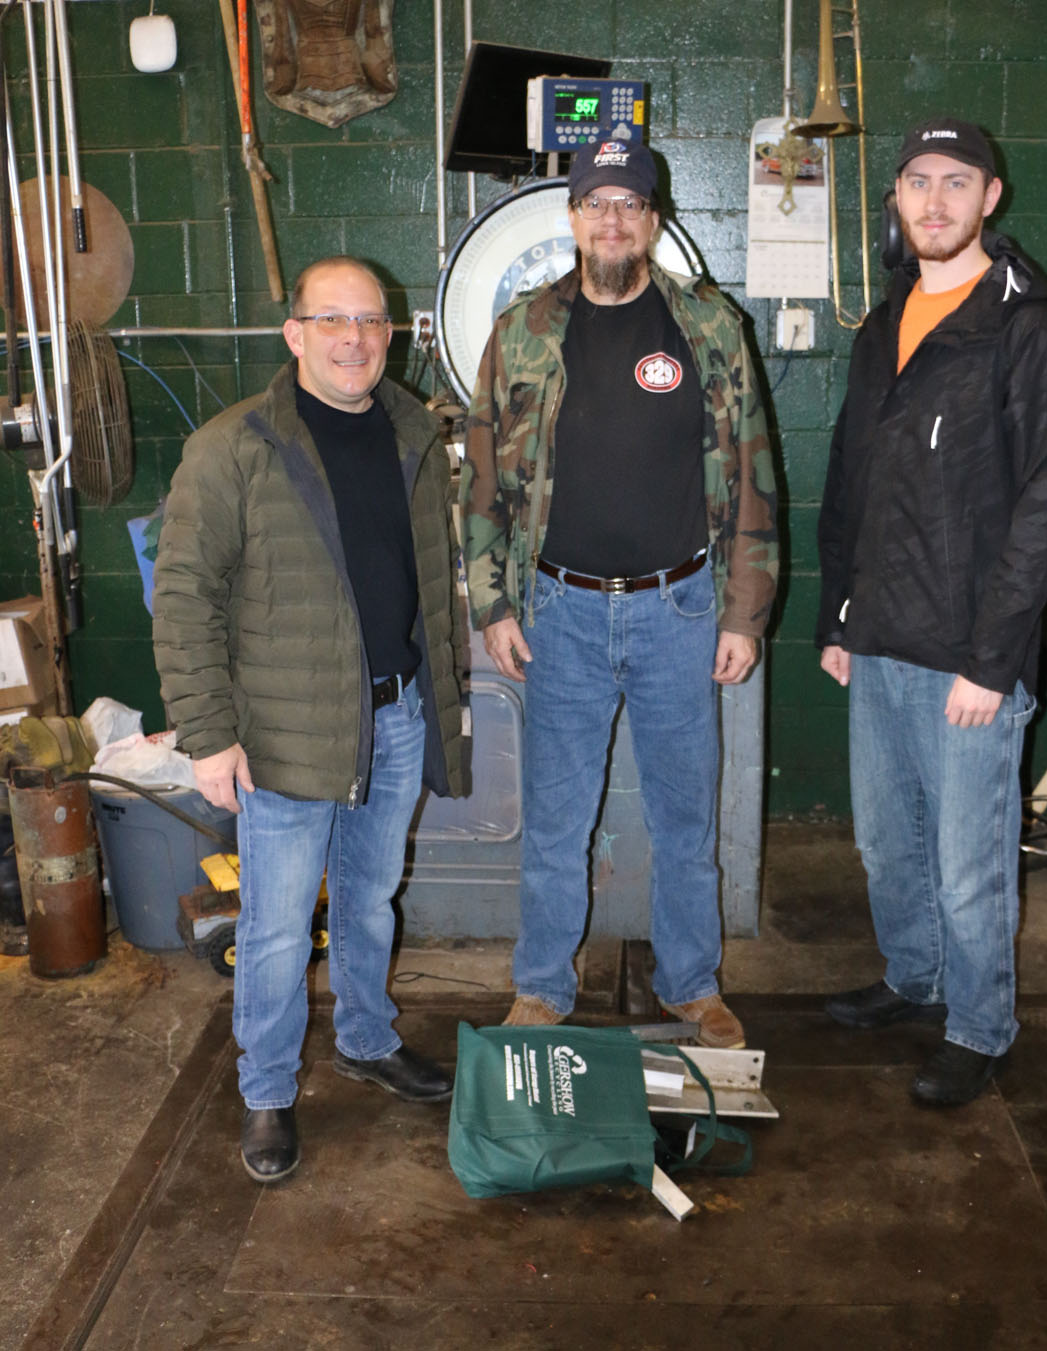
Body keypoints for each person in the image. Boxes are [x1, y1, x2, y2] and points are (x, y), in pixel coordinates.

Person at [153, 256, 466, 1182]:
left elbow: (419, 585)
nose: (354, 339)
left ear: (390, 334)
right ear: (294, 336)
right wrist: (208, 733)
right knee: (281, 925)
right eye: (332, 321)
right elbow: (183, 596)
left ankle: (367, 1038)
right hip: (283, 738)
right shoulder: (232, 447)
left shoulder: (412, 430)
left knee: (370, 897)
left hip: (394, 715)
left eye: (370, 321)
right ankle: (267, 1090)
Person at [460, 139, 777, 1048]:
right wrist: (493, 602)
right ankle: (542, 987)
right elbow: (480, 479)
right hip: (558, 610)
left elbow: (754, 479)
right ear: (571, 217)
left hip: (680, 609)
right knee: (557, 816)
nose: (611, 218)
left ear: (653, 219)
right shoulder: (522, 331)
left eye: (629, 203)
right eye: (594, 201)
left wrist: (744, 611)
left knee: (687, 816)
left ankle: (690, 984)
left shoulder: (711, 330)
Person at [816, 118, 1047, 1105]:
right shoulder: (886, 321)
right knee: (887, 842)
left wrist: (993, 659)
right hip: (880, 636)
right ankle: (913, 977)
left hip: (971, 654)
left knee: (968, 863)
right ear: (896, 199)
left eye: (956, 182)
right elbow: (851, 476)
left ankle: (981, 1026)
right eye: (917, 182)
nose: (934, 201)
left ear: (991, 197)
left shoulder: (1028, 329)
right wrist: (837, 619)